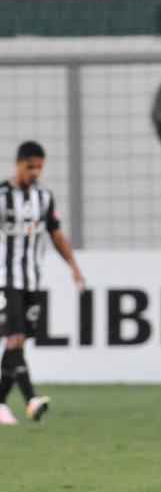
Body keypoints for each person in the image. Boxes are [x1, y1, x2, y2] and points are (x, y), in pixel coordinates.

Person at [0, 141, 85, 425]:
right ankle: (19, 401)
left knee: (19, 341)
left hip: (32, 281)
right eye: (30, 166)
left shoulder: (44, 198)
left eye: (39, 167)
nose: (35, 172)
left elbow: (56, 235)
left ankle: (28, 401)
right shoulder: (2, 196)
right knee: (14, 337)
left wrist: (73, 266)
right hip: (6, 279)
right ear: (18, 164)